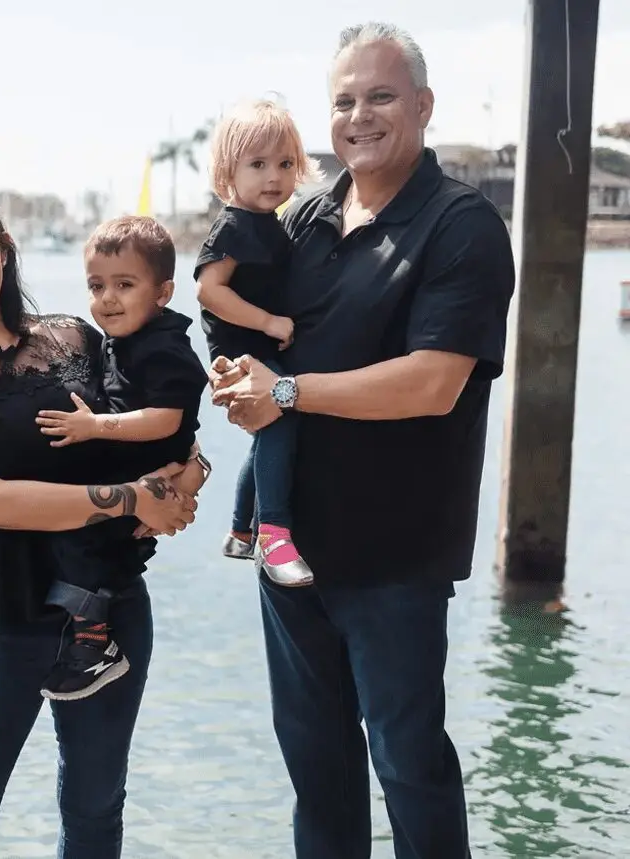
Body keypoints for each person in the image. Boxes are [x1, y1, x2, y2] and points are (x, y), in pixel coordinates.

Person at [209, 22, 515, 859]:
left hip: (397, 555)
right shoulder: (301, 221)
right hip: (292, 550)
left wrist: (284, 390)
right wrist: (236, 378)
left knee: (408, 762)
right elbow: (245, 333)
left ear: (422, 105)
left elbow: (433, 381)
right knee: (318, 771)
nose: (360, 116)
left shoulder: (463, 226)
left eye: (380, 95)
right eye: (343, 100)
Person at [0, 180, 208, 859]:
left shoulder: (79, 336)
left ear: (4, 246)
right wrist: (129, 499)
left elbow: (162, 423)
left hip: (111, 608)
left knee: (95, 810)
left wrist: (188, 476)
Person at [34, 215, 210, 701]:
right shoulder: (125, 339)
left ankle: (95, 645)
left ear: (163, 292)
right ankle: (89, 634)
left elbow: (166, 420)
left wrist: (94, 427)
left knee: (84, 542)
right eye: (96, 285)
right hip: (134, 471)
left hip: (144, 468)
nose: (106, 298)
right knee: (89, 546)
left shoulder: (164, 348)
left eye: (124, 284)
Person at [194, 98, 319, 586]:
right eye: (258, 165)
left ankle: (239, 532)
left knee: (270, 434)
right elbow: (209, 290)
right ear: (230, 172)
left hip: (258, 347)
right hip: (242, 348)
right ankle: (273, 534)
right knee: (281, 424)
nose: (274, 177)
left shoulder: (270, 224)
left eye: (285, 164)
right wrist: (268, 322)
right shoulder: (234, 225)